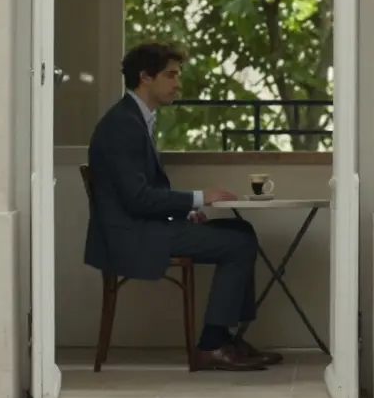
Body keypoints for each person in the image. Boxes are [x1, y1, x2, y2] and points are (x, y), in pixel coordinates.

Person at [83, 42, 282, 371]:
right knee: (238, 242)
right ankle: (213, 344)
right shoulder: (122, 124)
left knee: (241, 230)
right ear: (145, 77)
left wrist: (182, 211)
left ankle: (226, 338)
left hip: (145, 225)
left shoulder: (137, 119)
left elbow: (140, 193)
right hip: (132, 235)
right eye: (170, 75)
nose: (178, 83)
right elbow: (137, 199)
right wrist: (201, 197)